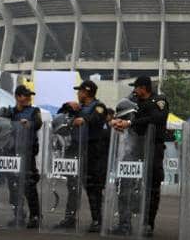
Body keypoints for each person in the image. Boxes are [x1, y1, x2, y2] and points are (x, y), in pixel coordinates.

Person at [110, 76, 168, 237]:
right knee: (124, 184)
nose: (134, 91)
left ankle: (147, 224)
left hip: (153, 148)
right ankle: (125, 223)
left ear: (144, 88)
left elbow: (158, 118)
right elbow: (121, 111)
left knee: (151, 187)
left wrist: (130, 123)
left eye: (136, 87)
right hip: (134, 148)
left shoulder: (159, 100)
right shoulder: (133, 100)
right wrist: (116, 122)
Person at [55, 80, 109, 233]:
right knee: (72, 185)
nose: (78, 94)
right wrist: (68, 105)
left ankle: (97, 220)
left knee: (92, 187)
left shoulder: (99, 107)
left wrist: (83, 119)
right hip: (75, 149)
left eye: (80, 91)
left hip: (92, 151)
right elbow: (60, 117)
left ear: (87, 92)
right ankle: (69, 218)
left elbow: (97, 119)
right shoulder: (78, 107)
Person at [0, 85, 42, 229]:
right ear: (18, 96)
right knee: (13, 185)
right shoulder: (8, 112)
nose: (29, 97)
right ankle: (18, 214)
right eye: (25, 95)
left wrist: (28, 123)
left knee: (29, 184)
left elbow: (37, 123)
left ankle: (35, 216)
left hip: (27, 153)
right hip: (11, 153)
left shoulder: (34, 111)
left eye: (29, 95)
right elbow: (0, 124)